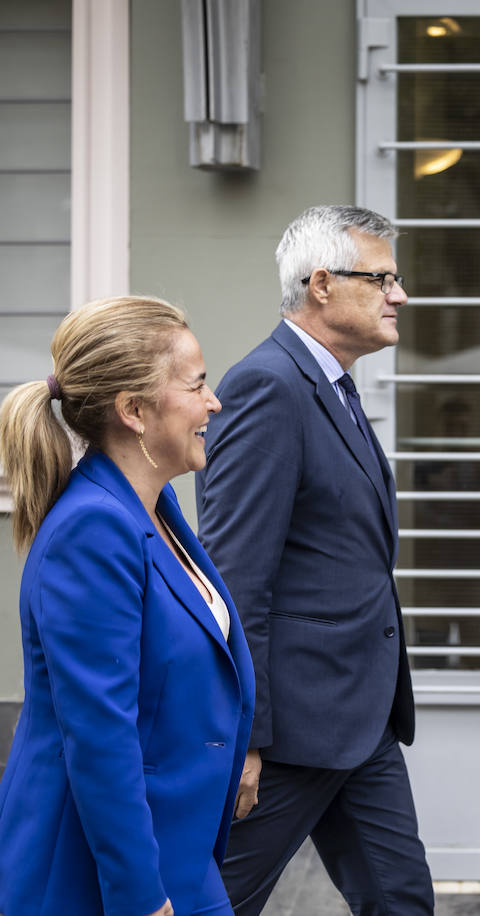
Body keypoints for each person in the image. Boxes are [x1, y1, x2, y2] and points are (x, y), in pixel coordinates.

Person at [195, 205, 432, 914]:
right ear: (322, 284)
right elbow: (235, 575)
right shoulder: (267, 386)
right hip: (292, 730)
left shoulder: (333, 385)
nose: (400, 295)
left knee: (402, 901)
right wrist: (247, 737)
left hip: (362, 721)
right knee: (216, 901)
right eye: (383, 278)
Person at [0, 297, 254, 916]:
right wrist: (142, 898)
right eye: (197, 385)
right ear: (134, 411)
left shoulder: (154, 509)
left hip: (179, 856)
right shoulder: (92, 531)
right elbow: (99, 736)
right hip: (97, 878)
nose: (213, 402)